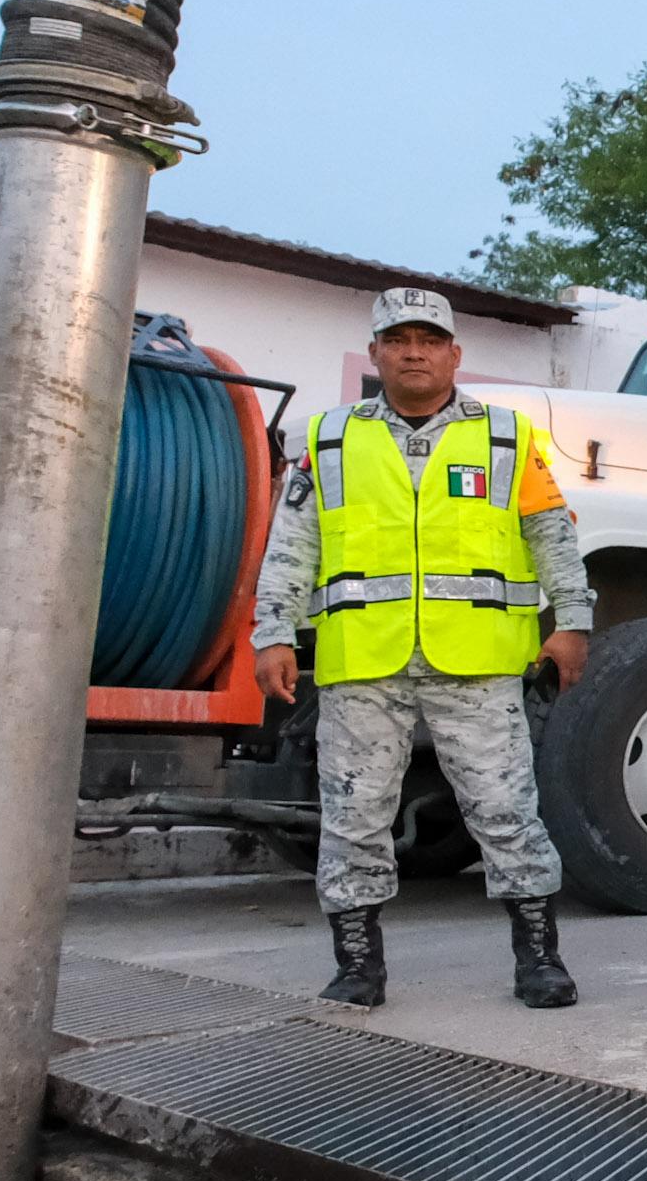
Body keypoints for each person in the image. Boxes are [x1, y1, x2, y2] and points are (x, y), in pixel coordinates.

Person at [250, 291, 589, 1009]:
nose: (413, 351)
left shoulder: (506, 437)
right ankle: (357, 966)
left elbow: (553, 534)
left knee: (504, 809)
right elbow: (291, 547)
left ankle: (539, 958)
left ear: (454, 354)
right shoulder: (329, 439)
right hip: (363, 662)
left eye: (428, 339)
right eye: (397, 338)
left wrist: (573, 620)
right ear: (374, 353)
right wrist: (273, 632)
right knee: (353, 815)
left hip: (478, 659)